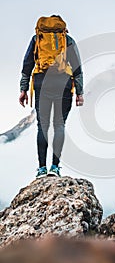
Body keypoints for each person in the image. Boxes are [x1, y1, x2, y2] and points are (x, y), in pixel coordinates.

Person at [19, 15, 84, 178]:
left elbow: (27, 65)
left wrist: (23, 89)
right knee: (59, 125)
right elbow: (77, 68)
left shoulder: (37, 38)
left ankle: (41, 169)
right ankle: (55, 168)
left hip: (42, 82)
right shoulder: (67, 39)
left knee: (43, 126)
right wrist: (79, 93)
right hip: (64, 83)